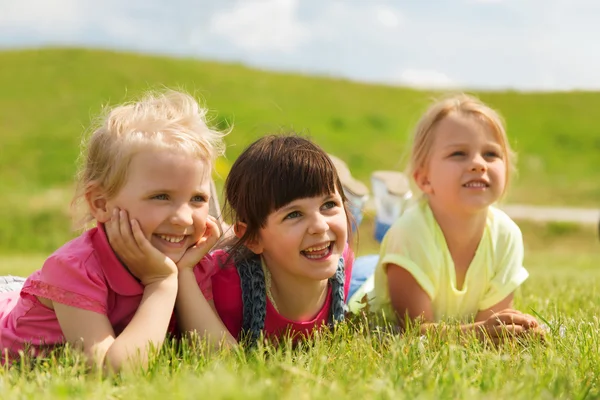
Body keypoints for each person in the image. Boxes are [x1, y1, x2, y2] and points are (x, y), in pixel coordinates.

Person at [0, 90, 229, 370]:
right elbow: (113, 371)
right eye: (160, 197)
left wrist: (184, 274)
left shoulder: (189, 261)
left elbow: (222, 358)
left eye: (197, 199)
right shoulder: (74, 269)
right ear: (100, 203)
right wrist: (161, 282)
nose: (183, 218)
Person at [348, 94, 542, 344]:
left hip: (399, 260)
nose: (478, 164)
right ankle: (348, 199)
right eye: (459, 154)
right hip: (360, 286)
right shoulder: (410, 233)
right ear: (424, 179)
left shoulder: (508, 235)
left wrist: (510, 332)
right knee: (348, 271)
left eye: (491, 154)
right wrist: (483, 333)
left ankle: (388, 212)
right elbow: (412, 331)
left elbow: (491, 330)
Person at [174, 134, 354, 345]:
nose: (320, 226)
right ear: (253, 238)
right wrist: (184, 271)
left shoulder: (342, 260)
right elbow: (222, 359)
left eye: (329, 205)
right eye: (294, 214)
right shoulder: (225, 286)